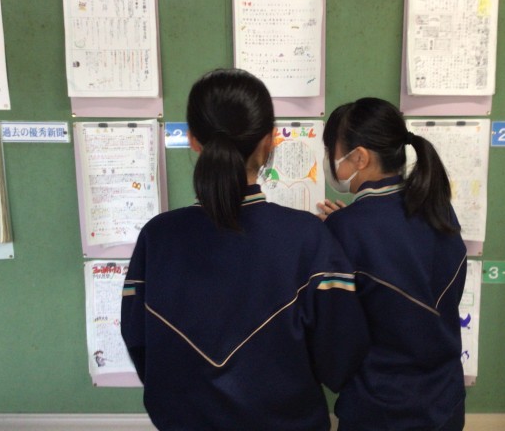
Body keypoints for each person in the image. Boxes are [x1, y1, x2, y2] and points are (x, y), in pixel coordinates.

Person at [121, 68, 369, 431]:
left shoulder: (158, 237)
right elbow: (341, 360)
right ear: (270, 141)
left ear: (192, 140)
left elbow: (139, 344)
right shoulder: (307, 237)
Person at [317, 97, 467, 431]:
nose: (327, 160)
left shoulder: (346, 229)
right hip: (445, 400)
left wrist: (342, 228)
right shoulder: (439, 209)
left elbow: (338, 335)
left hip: (380, 407)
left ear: (360, 157)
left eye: (331, 149)